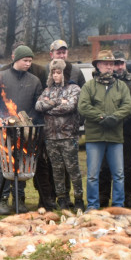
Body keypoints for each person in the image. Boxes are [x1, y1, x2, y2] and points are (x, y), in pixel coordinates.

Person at [0, 45, 44, 214]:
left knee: (22, 161)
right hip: (4, 128)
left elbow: (38, 104)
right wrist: (2, 118)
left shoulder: (34, 80)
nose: (28, 63)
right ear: (16, 60)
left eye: (30, 61)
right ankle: (2, 199)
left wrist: (29, 120)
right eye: (25, 60)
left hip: (25, 129)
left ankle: (19, 198)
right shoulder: (0, 77)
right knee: (4, 163)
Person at [79, 50, 131, 209]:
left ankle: (118, 206)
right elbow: (83, 106)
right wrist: (101, 117)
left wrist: (115, 117)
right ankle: (93, 206)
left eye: (111, 64)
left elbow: (127, 106)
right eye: (105, 64)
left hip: (115, 137)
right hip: (94, 137)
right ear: (98, 66)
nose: (109, 67)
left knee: (119, 175)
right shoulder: (89, 86)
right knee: (92, 175)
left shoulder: (121, 86)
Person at [35, 58, 83, 210]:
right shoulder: (48, 90)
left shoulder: (74, 89)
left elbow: (69, 107)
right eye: (53, 73)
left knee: (73, 169)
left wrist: (49, 106)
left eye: (59, 72)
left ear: (65, 73)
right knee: (56, 170)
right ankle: (62, 198)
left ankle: (79, 199)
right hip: (51, 137)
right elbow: (38, 105)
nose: (56, 76)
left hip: (68, 136)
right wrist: (57, 102)